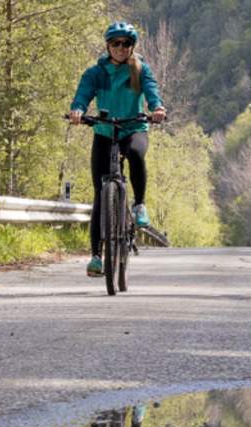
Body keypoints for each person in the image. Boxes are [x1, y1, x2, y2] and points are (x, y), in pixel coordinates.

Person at [68, 21, 168, 277]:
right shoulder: (95, 73)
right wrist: (77, 110)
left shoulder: (140, 69)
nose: (121, 48)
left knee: (135, 153)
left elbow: (152, 92)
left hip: (133, 128)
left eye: (126, 43)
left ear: (132, 46)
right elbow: (82, 95)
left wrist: (157, 108)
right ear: (108, 46)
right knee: (101, 194)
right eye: (116, 43)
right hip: (104, 131)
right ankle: (96, 257)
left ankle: (139, 206)